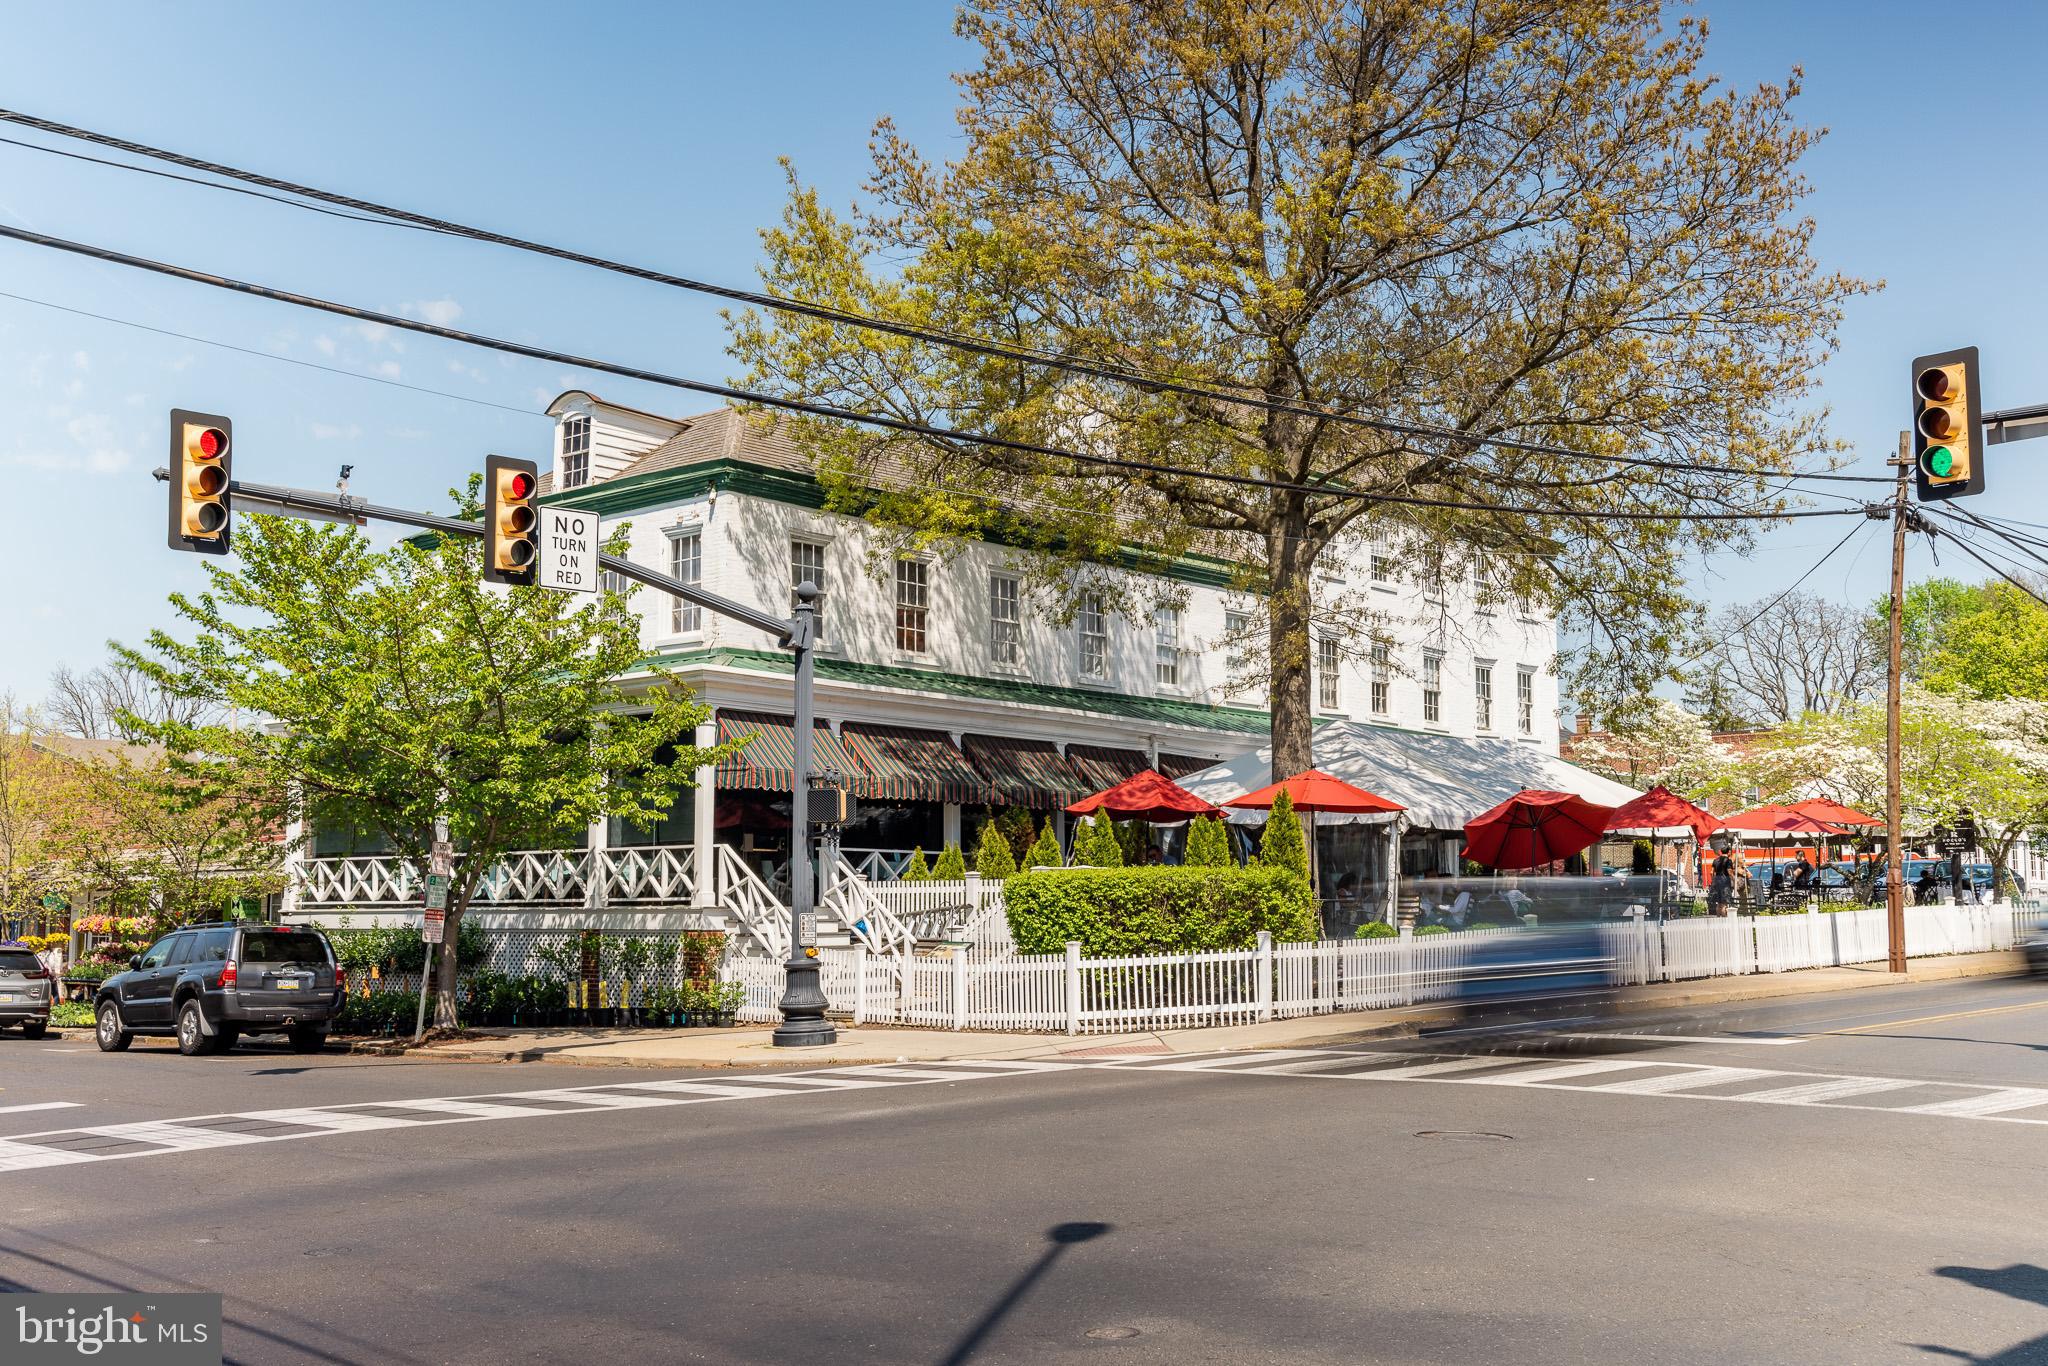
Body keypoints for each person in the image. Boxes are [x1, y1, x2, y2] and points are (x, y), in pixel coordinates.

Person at [1708, 850, 1735, 915]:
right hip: (1725, 882)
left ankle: (1718, 919)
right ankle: (1724, 920)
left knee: (1719, 903)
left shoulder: (1715, 860)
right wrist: (1734, 879)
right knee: (1724, 903)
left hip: (1717, 882)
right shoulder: (1728, 861)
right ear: (1728, 852)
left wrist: (1714, 881)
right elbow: (1729, 871)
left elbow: (1711, 872)